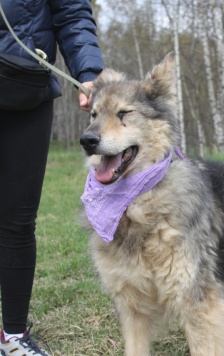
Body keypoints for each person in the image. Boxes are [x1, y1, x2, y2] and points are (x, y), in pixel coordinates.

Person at [0, 0, 104, 355]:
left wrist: (88, 70)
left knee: (16, 220)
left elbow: (72, 12)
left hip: (24, 87)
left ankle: (13, 338)